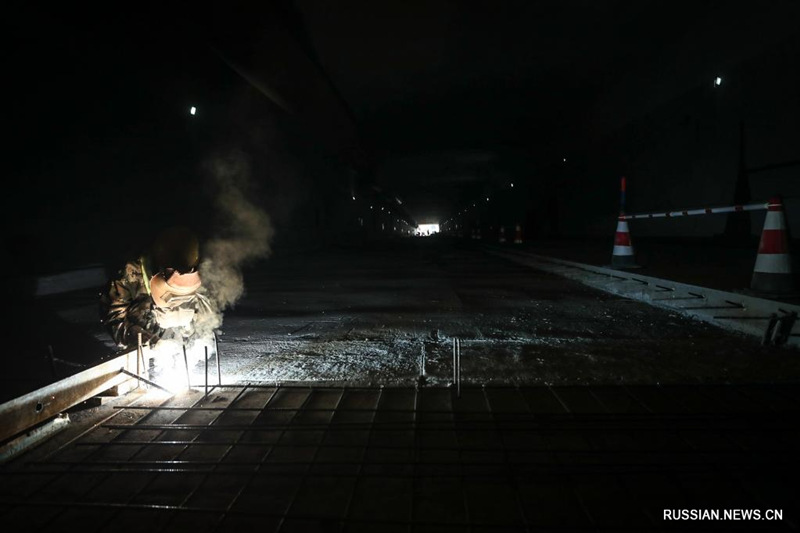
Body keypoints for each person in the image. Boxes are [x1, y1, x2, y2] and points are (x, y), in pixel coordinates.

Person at [99, 226, 217, 351]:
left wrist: (200, 328)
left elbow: (209, 306)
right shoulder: (131, 274)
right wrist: (141, 338)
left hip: (179, 331)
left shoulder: (196, 268)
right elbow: (113, 316)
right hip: (148, 327)